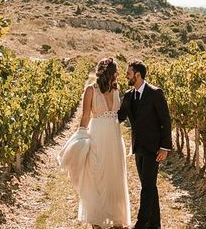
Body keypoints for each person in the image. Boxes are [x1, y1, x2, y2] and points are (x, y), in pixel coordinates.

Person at [58, 57, 131, 229]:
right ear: (109, 73)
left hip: (114, 137)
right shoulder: (90, 90)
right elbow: (85, 116)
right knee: (96, 175)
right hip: (97, 136)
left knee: (114, 176)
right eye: (116, 72)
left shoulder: (115, 89)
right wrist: (80, 137)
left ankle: (115, 217)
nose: (118, 75)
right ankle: (97, 218)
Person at [118, 60, 172, 229]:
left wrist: (165, 147)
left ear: (138, 75)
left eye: (128, 73)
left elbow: (165, 120)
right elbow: (119, 117)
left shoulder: (155, 93)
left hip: (154, 148)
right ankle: (155, 224)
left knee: (147, 186)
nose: (126, 76)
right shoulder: (128, 95)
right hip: (138, 147)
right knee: (148, 185)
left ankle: (141, 224)